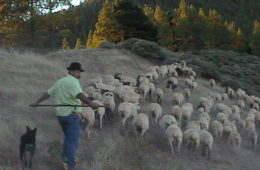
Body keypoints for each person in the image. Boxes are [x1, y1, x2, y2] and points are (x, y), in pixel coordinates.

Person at [30, 62, 99, 170]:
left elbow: (48, 93)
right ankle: (70, 165)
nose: (79, 74)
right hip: (71, 115)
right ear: (70, 71)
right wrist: (91, 104)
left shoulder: (60, 81)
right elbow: (79, 94)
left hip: (61, 116)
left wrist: (37, 102)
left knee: (68, 138)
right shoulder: (73, 81)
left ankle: (65, 158)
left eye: (79, 72)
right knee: (72, 141)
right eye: (77, 71)